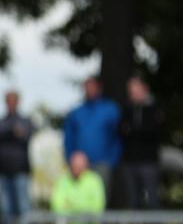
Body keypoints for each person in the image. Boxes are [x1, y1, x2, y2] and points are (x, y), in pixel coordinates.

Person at [63, 77, 120, 194]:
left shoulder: (110, 110)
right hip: (80, 164)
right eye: (87, 88)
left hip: (103, 163)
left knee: (100, 197)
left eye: (92, 87)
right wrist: (70, 158)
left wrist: (112, 160)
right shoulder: (76, 113)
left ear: (99, 88)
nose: (89, 90)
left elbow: (117, 137)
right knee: (79, 196)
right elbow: (68, 137)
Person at [0, 90, 33, 224]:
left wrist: (8, 134)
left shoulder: (26, 121)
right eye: (8, 100)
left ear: (18, 102)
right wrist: (11, 132)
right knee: (6, 210)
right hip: (3, 172)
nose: (11, 103)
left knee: (23, 208)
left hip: (21, 171)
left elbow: (25, 136)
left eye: (13, 100)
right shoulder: (0, 122)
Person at [119, 76, 163, 209]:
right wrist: (136, 130)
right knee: (133, 201)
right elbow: (121, 130)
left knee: (152, 199)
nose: (133, 94)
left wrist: (132, 130)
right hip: (130, 161)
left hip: (148, 161)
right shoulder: (126, 109)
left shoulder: (154, 109)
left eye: (136, 90)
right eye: (131, 92)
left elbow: (153, 132)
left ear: (145, 90)